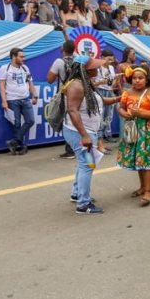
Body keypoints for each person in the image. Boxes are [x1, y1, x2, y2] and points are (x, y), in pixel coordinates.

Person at [117, 64, 150, 206]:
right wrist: (123, 113)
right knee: (138, 159)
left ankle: (148, 192)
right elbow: (121, 107)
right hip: (132, 131)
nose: (137, 80)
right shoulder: (127, 93)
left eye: (140, 78)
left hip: (148, 132)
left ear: (147, 79)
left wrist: (141, 113)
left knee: (147, 161)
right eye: (134, 78)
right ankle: (143, 187)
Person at [63, 56, 105, 214]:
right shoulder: (76, 86)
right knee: (88, 165)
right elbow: (72, 110)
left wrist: (118, 99)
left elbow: (100, 101)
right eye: (94, 67)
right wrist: (84, 136)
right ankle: (83, 204)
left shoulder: (86, 83)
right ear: (85, 70)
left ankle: (77, 193)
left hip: (86, 131)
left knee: (83, 164)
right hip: (80, 133)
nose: (97, 69)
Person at [0, 48, 38, 155]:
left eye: (23, 56)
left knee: (30, 120)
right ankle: (22, 146)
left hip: (25, 99)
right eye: (21, 56)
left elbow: (30, 83)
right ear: (13, 57)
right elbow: (1, 87)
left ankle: (13, 142)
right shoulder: (4, 69)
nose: (23, 58)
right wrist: (4, 101)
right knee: (16, 124)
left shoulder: (25, 68)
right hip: (12, 100)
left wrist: (35, 95)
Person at [47, 40, 78, 159]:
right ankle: (76, 147)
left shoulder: (59, 62)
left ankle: (70, 150)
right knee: (75, 120)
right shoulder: (78, 59)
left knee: (65, 121)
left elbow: (49, 79)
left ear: (62, 50)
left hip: (65, 95)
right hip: (78, 94)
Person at [93, 49, 117, 148]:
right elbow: (93, 84)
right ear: (102, 58)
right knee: (100, 116)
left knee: (108, 116)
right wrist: (101, 82)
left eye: (112, 60)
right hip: (100, 91)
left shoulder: (111, 67)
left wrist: (113, 83)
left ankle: (104, 136)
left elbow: (113, 79)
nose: (110, 62)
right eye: (108, 59)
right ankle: (99, 141)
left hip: (109, 92)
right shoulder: (97, 67)